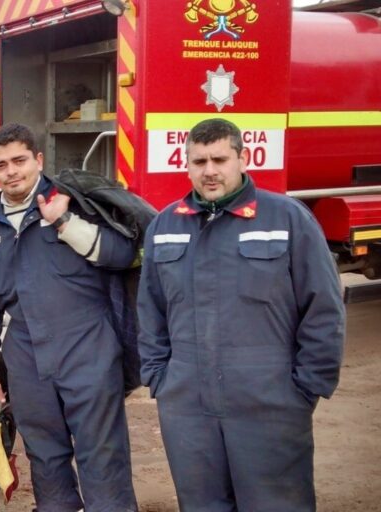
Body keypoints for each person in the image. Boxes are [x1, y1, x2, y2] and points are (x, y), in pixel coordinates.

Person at [137, 118, 345, 511]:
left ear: (242, 158)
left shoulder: (287, 219)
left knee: (276, 504)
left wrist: (306, 388)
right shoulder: (165, 225)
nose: (209, 170)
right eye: (199, 161)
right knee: (202, 504)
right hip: (186, 404)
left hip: (270, 402)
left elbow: (323, 309)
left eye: (220, 158)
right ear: (187, 164)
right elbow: (150, 310)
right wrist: (160, 377)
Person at [0, 123, 139, 512]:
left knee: (102, 452)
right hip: (26, 354)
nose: (12, 171)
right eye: (1, 165)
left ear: (38, 160)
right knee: (44, 452)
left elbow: (120, 254)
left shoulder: (74, 202)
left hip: (87, 345)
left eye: (20, 161)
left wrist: (64, 222)